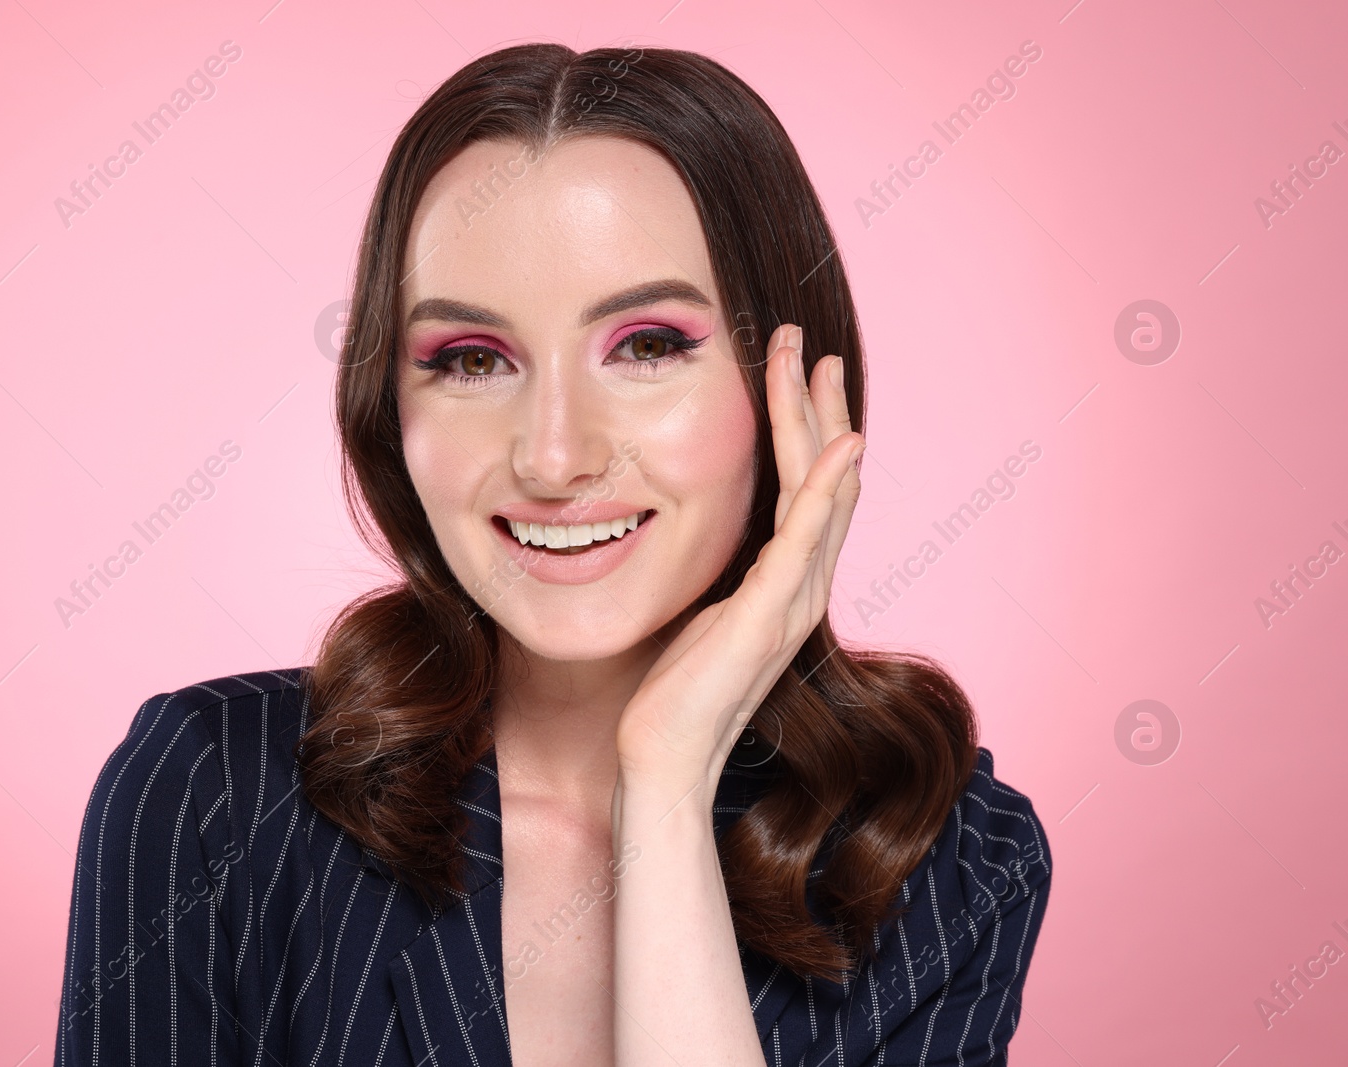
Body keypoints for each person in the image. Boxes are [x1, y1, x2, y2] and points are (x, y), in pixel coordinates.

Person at [53, 41, 1051, 1067]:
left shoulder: (949, 861)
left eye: (647, 347)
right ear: (389, 407)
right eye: (472, 359)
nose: (553, 455)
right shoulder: (213, 788)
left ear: (787, 389)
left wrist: (664, 782)